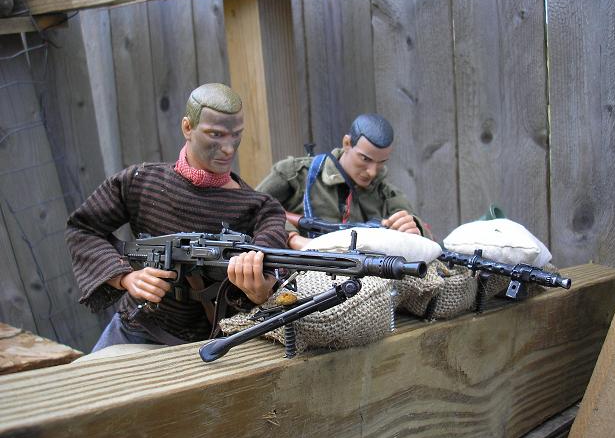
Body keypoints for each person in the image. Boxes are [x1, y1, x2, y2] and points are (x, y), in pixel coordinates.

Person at [66, 83, 287, 351]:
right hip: (137, 328)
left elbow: (273, 261)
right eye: (215, 134)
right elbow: (83, 229)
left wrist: (261, 291)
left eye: (236, 135)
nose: (229, 149)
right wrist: (125, 277)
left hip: (218, 342)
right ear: (187, 128)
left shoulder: (260, 208)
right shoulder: (141, 182)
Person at [256, 113, 430, 249]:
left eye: (381, 162)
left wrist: (413, 228)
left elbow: (426, 240)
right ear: (347, 143)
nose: (372, 171)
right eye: (365, 159)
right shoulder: (296, 175)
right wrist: (293, 238)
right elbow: (253, 208)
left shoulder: (388, 195)